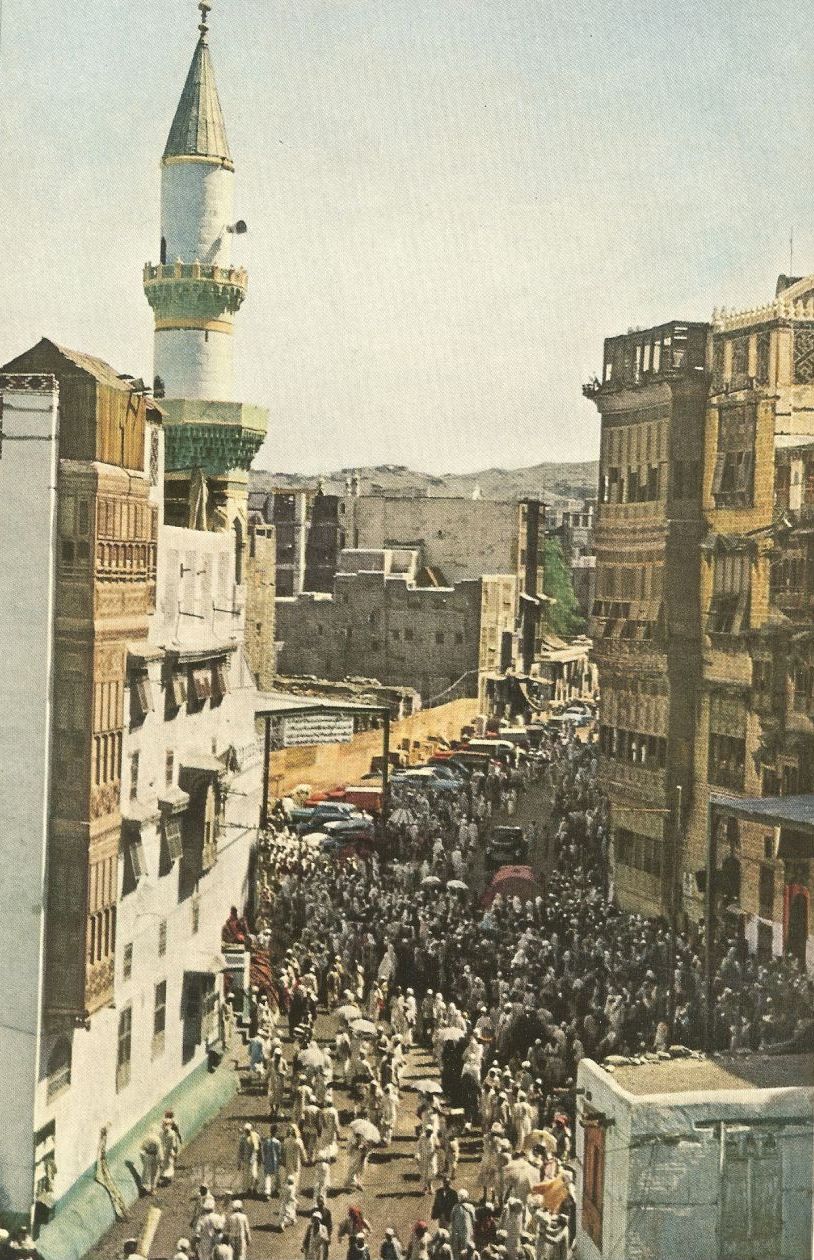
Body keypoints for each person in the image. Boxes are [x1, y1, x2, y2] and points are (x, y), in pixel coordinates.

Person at [449, 1190, 476, 1260]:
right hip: (467, 1230)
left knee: (456, 1249)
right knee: (466, 1247)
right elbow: (474, 1219)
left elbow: (451, 1218)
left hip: (456, 1230)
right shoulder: (470, 1207)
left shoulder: (455, 1207)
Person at [237, 1123, 261, 1196]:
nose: (247, 1132)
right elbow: (240, 1150)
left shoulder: (255, 1136)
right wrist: (239, 1161)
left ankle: (254, 1188)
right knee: (246, 1175)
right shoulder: (242, 1138)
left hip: (253, 1158)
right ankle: (249, 1189)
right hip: (246, 1159)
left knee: (254, 1174)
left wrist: (258, 1158)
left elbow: (258, 1148)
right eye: (246, 1130)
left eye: (248, 1130)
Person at [262, 1126, 282, 1200]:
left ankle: (267, 1192)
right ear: (276, 1132)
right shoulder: (277, 1142)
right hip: (275, 1161)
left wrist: (264, 1159)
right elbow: (279, 1153)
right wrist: (280, 1160)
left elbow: (264, 1151)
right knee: (276, 1176)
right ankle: (276, 1190)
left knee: (268, 1176)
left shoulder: (266, 1141)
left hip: (268, 1160)